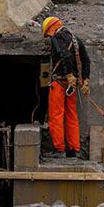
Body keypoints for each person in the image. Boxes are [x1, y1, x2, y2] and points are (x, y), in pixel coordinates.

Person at [42, 16, 91, 158]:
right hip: (73, 85)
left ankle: (59, 150)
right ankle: (74, 149)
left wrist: (69, 74)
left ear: (51, 28)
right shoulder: (75, 39)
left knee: (56, 115)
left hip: (59, 83)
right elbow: (85, 59)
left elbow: (64, 55)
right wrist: (85, 79)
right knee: (71, 115)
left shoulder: (57, 38)